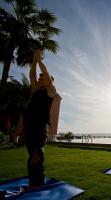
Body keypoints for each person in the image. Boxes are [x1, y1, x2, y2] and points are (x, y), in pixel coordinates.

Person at [23, 49, 56, 189]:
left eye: (42, 79)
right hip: (29, 125)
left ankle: (39, 183)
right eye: (40, 79)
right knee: (32, 156)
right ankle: (34, 182)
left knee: (37, 154)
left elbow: (47, 76)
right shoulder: (36, 90)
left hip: (40, 126)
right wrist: (34, 62)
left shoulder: (51, 91)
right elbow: (31, 76)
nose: (39, 80)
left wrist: (40, 60)